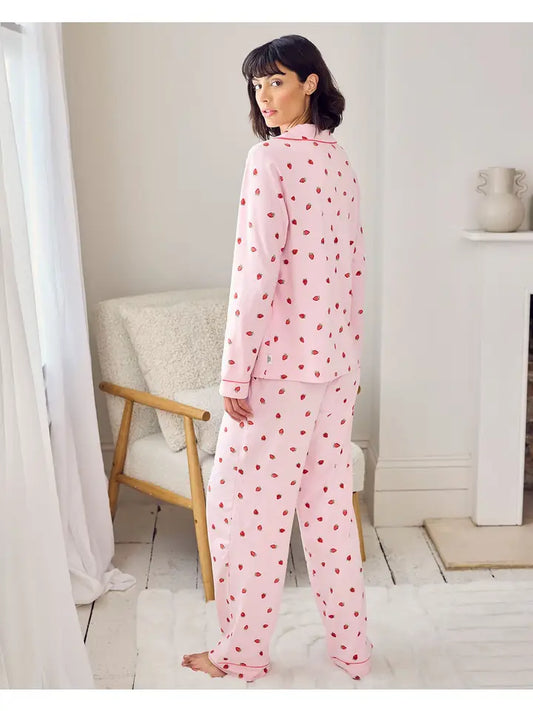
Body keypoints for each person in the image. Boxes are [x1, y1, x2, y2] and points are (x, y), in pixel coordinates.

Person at [182, 33, 371, 683]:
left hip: (277, 372)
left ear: (310, 83)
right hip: (336, 366)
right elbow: (354, 273)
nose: (264, 96)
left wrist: (234, 371)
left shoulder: (269, 160)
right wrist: (348, 358)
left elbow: (254, 273)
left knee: (244, 515)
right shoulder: (339, 162)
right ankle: (352, 649)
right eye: (257, 84)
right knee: (328, 510)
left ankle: (240, 653)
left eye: (277, 81)